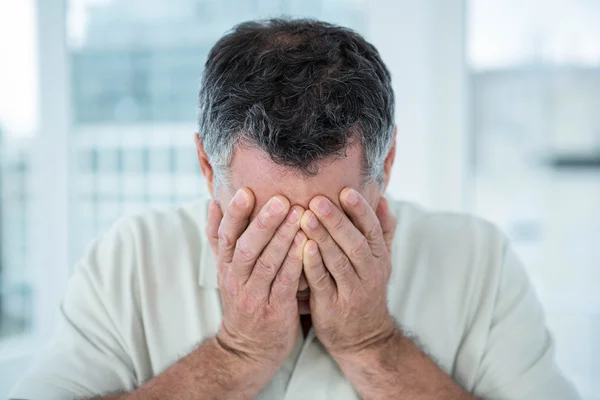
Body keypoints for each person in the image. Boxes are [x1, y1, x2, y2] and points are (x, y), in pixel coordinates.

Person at [11, 18, 579, 400]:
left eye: (334, 222)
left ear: (388, 164)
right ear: (209, 170)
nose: (303, 260)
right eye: (268, 222)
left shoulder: (478, 260)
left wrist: (373, 344)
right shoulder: (129, 258)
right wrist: (236, 355)